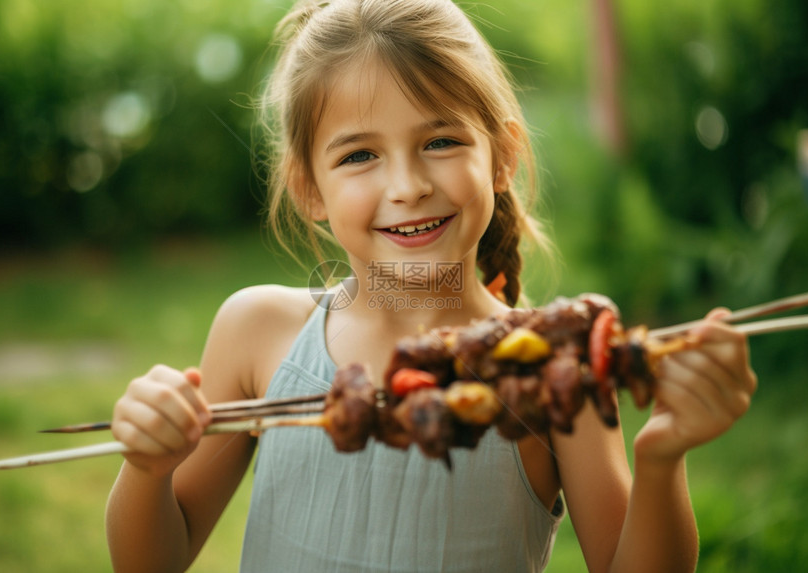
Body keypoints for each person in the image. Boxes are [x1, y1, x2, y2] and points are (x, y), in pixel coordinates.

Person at [105, 1, 758, 571]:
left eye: (441, 140)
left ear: (501, 156)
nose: (408, 185)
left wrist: (664, 454)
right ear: (310, 189)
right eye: (360, 154)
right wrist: (147, 468)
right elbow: (153, 559)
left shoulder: (555, 369)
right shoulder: (258, 334)